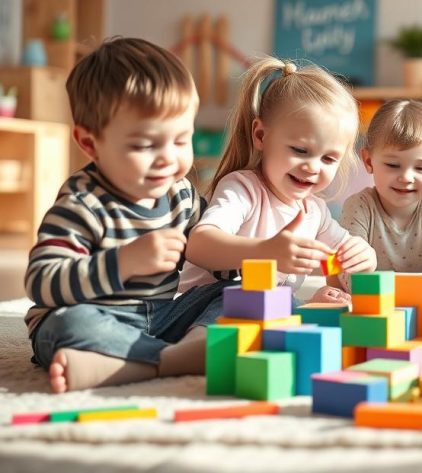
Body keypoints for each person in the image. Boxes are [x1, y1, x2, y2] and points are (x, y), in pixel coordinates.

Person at [25, 37, 224, 392]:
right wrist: (123, 262)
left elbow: (215, 251)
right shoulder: (83, 203)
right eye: (145, 145)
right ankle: (177, 360)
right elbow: (42, 281)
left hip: (161, 317)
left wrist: (256, 252)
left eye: (180, 141)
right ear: (90, 143)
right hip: (97, 317)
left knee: (239, 292)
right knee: (67, 326)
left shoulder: (181, 195)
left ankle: (137, 363)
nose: (167, 158)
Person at [181, 58, 375, 303]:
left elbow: (334, 272)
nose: (313, 167)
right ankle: (191, 343)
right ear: (260, 136)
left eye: (328, 159)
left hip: (264, 311)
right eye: (300, 150)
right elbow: (198, 245)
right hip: (202, 305)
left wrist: (362, 259)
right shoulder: (243, 189)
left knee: (312, 306)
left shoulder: (315, 211)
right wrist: (266, 252)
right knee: (257, 297)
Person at [340, 99, 422, 273]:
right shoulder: (358, 206)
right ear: (368, 161)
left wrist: (415, 287)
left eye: (421, 168)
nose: (406, 177)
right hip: (373, 297)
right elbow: (348, 268)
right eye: (393, 165)